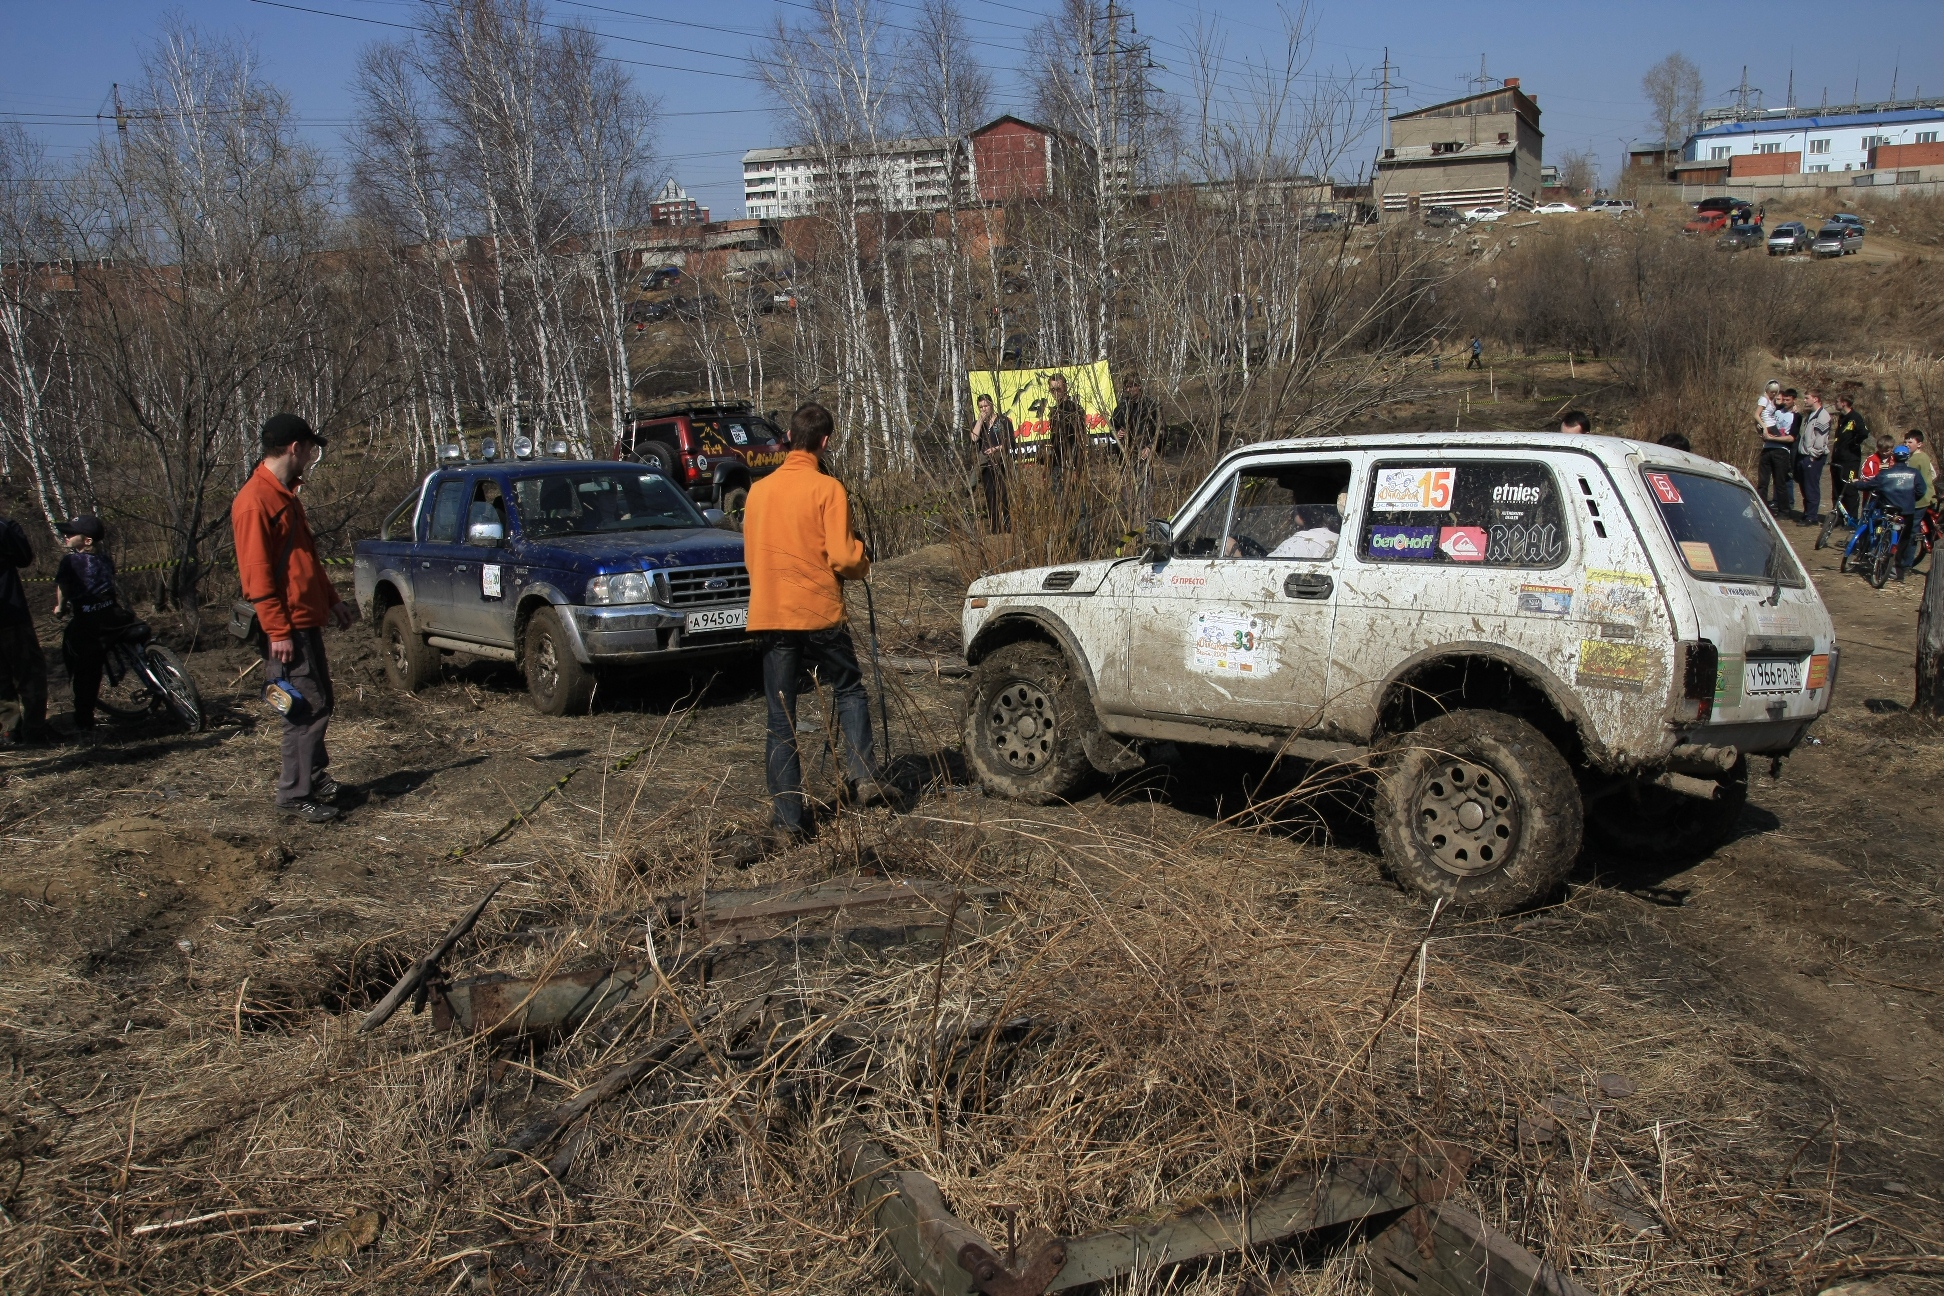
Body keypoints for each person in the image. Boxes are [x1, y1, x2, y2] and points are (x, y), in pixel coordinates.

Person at [743, 402, 884, 842]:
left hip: (771, 613)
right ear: (825, 441)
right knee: (849, 687)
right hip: (819, 612)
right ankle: (864, 778)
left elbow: (751, 559)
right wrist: (861, 559)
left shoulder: (758, 492)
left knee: (780, 715)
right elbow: (843, 558)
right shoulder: (828, 488)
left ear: (789, 437)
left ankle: (788, 821)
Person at [232, 414, 356, 823]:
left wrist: (332, 600)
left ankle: (313, 777)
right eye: (310, 449)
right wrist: (277, 631)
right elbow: (257, 576)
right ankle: (294, 793)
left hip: (303, 620)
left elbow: (306, 561)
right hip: (285, 626)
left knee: (320, 701)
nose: (311, 456)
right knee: (305, 709)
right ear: (294, 448)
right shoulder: (255, 501)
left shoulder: (285, 495)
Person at [51, 516, 134, 732]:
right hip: (113, 614)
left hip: (89, 621)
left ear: (87, 540)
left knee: (84, 668)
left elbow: (63, 588)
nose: (66, 536)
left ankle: (84, 720)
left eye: (71, 533)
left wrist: (60, 608)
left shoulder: (69, 561)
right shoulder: (105, 559)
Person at [0, 511, 50, 744]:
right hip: (11, 615)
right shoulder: (3, 526)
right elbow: (24, 558)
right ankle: (34, 728)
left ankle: (9, 729)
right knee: (30, 672)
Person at [1855, 445, 1925, 580]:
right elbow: (1921, 491)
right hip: (1907, 511)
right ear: (1907, 458)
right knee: (1903, 540)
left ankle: (1880, 562)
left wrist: (1856, 483)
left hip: (1888, 510)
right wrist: (1911, 499)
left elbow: (1869, 485)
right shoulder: (1914, 473)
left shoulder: (1885, 474)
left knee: (1883, 535)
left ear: (1894, 457)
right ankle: (1898, 570)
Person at [1111, 377, 1162, 519]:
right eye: (1126, 387)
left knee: (1145, 498)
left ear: (1139, 386)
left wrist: (1150, 447)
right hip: (1125, 458)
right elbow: (1112, 427)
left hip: (1143, 457)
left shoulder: (1151, 406)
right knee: (1127, 500)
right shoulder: (1122, 407)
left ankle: (1145, 527)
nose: (1129, 390)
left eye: (1132, 386)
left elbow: (1161, 431)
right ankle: (1131, 528)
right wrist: (1117, 433)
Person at [969, 394, 1014, 534]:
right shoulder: (978, 424)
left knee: (1003, 494)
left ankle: (1008, 526)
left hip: (1001, 462)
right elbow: (974, 439)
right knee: (990, 496)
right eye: (981, 407)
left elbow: (1011, 442)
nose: (984, 409)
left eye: (986, 405)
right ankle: (995, 528)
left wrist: (996, 448)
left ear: (992, 405)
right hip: (986, 465)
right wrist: (980, 421)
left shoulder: (1003, 421)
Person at [1830, 396, 1872, 524]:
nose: (1835, 404)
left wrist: (1853, 443)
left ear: (1844, 403)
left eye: (1837, 401)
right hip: (1837, 459)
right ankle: (1838, 518)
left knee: (1849, 488)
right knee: (1837, 489)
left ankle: (1852, 519)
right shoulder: (1842, 417)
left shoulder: (1855, 417)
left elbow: (1864, 433)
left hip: (1850, 460)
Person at [1795, 389, 1832, 526]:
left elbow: (1820, 439)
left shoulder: (1822, 416)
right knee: (1804, 486)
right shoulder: (1811, 414)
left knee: (1811, 486)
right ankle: (1807, 512)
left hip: (1813, 457)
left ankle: (1812, 516)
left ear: (1815, 399)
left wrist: (1813, 454)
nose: (1805, 400)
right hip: (1804, 455)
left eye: (1807, 398)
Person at [1758, 388, 1798, 515]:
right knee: (1763, 482)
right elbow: (1762, 414)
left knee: (1780, 482)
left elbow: (1791, 437)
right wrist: (1763, 432)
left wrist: (1774, 438)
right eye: (1783, 399)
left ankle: (1784, 510)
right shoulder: (1776, 411)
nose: (1784, 402)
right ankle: (1761, 508)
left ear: (1794, 400)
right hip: (1767, 448)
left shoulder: (1796, 416)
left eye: (1788, 400)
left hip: (1781, 451)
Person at [1904, 430, 1936, 511]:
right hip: (1928, 497)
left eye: (1910, 442)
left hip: (1921, 500)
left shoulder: (1916, 459)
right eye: (1905, 442)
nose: (1906, 445)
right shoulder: (1923, 456)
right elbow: (1933, 474)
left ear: (1919, 444)